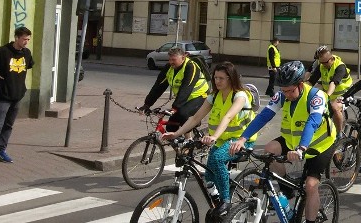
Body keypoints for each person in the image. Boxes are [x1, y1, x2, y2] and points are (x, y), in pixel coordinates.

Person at [230, 61, 336, 223]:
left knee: (311, 185)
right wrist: (243, 138)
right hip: (293, 141)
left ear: (300, 85)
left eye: (289, 90)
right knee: (269, 149)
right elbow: (264, 116)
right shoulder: (281, 95)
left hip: (320, 144)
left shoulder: (316, 96)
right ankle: (288, 188)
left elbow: (313, 122)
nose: (285, 94)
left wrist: (301, 148)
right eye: (283, 90)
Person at [162, 62, 257, 215]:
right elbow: (195, 118)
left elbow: (228, 116)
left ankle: (226, 201)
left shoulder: (240, 95)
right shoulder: (214, 96)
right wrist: (176, 134)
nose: (217, 81)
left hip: (242, 141)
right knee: (209, 174)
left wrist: (213, 136)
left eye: (221, 78)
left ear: (231, 79)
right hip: (222, 140)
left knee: (218, 159)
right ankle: (218, 203)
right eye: (215, 77)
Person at [139, 46, 209, 132]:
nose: (171, 62)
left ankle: (188, 141)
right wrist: (147, 104)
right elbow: (158, 87)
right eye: (170, 59)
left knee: (183, 114)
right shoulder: (169, 68)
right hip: (183, 99)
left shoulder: (191, 67)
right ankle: (179, 142)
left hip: (199, 96)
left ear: (183, 58)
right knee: (170, 127)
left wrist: (175, 108)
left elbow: (186, 88)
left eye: (174, 60)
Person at [0, 27, 34, 163]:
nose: (26, 42)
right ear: (16, 38)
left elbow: (28, 67)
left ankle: (1, 151)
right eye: (24, 39)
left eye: (28, 39)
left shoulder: (27, 53)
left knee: (8, 125)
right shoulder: (3, 52)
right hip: (3, 95)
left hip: (18, 95)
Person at [308, 45, 352, 135]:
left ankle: (339, 134)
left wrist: (326, 96)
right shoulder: (322, 66)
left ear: (331, 59)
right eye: (321, 63)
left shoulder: (340, 67)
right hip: (331, 94)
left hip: (345, 94)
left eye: (325, 63)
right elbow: (311, 82)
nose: (323, 65)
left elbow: (333, 83)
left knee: (335, 107)